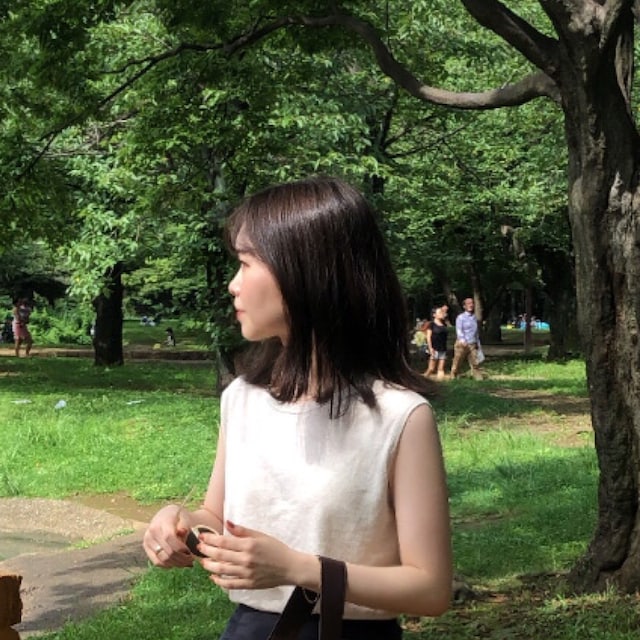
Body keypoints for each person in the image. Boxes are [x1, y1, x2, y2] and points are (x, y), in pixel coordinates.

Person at [143, 176, 453, 640]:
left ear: (304, 272)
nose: (233, 284)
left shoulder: (401, 417)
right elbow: (217, 515)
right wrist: (179, 523)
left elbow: (430, 589)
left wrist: (298, 569)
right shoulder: (242, 399)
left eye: (246, 263)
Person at [450, 297, 482, 380]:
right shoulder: (461, 317)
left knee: (475, 361)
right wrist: (463, 340)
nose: (471, 305)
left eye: (472, 303)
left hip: (472, 343)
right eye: (468, 304)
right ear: (464, 306)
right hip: (462, 343)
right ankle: (453, 374)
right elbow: (459, 330)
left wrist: (477, 342)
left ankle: (478, 377)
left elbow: (475, 331)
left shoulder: (474, 317)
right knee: (458, 360)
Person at [423, 304, 450, 380]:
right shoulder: (431, 325)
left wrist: (444, 310)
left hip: (443, 348)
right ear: (434, 315)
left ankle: (440, 383)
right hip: (434, 349)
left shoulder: (444, 324)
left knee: (441, 369)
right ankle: (423, 379)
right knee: (431, 368)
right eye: (439, 312)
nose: (441, 314)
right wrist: (430, 348)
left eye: (441, 312)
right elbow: (428, 337)